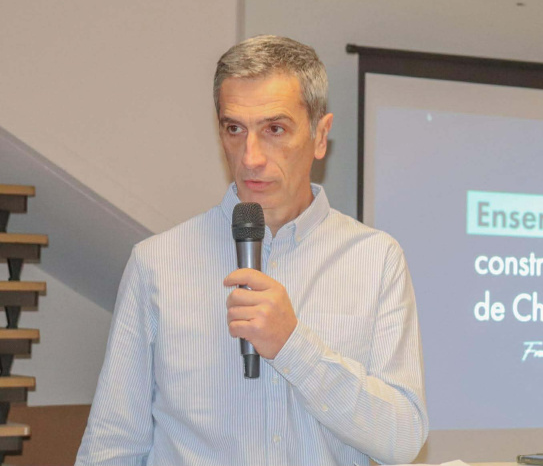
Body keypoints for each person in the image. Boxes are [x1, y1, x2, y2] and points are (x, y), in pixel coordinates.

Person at [76, 36, 429, 465]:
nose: (250, 157)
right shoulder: (157, 263)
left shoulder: (375, 260)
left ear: (320, 136)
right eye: (234, 129)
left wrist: (292, 345)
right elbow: (112, 447)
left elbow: (402, 441)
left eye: (274, 129)